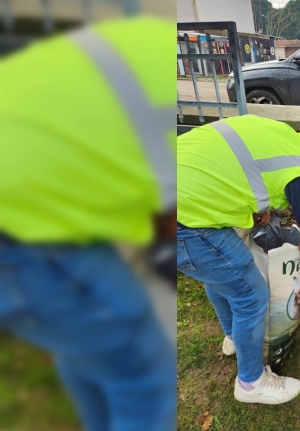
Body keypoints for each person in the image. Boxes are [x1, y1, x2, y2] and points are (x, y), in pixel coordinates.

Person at [0, 17, 176, 431]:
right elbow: (168, 224)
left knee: (94, 351)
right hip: (27, 232)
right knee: (146, 379)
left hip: (27, 209)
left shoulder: (143, 44)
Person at [177, 115, 300, 405]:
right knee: (251, 294)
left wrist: (259, 207)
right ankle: (251, 383)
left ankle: (236, 338)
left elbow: (242, 169)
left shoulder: (282, 136)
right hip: (183, 219)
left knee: (222, 274)